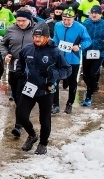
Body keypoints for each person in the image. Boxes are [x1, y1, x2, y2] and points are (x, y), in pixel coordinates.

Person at [15, 25, 71, 155]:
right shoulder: (27, 49)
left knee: (44, 119)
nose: (37, 39)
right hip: (30, 87)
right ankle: (32, 135)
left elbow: (67, 70)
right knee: (21, 115)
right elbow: (21, 61)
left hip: (46, 89)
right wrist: (19, 71)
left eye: (40, 37)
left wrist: (53, 74)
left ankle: (43, 143)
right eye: (35, 36)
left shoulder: (55, 51)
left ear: (46, 37)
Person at [1, 9, 36, 135]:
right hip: (13, 66)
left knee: (22, 97)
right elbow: (3, 44)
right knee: (16, 96)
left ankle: (19, 125)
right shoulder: (11, 29)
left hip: (29, 68)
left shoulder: (36, 30)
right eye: (18, 20)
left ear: (29, 19)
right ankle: (22, 115)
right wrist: (5, 54)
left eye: (23, 21)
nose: (20, 23)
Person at [52, 7, 91, 114]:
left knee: (72, 81)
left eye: (69, 19)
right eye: (64, 19)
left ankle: (70, 103)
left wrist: (79, 46)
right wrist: (52, 44)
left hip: (73, 58)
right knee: (55, 80)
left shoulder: (80, 28)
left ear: (74, 18)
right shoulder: (58, 25)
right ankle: (55, 105)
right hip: (59, 57)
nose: (66, 21)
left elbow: (88, 40)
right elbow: (56, 38)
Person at [81, 6, 104, 106]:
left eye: (96, 13)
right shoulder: (86, 23)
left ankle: (88, 96)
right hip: (86, 52)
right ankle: (93, 85)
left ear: (101, 14)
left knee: (92, 74)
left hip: (99, 53)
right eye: (92, 13)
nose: (94, 15)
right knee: (86, 76)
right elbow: (80, 35)